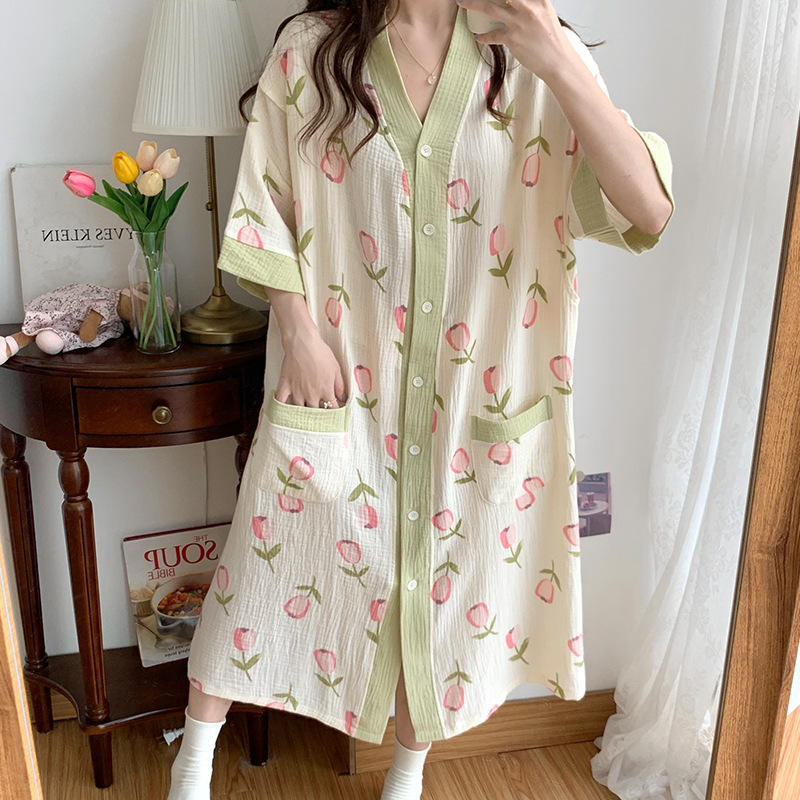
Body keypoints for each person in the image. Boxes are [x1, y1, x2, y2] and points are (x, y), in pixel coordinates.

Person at [166, 0, 674, 798]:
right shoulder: (315, 51)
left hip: (477, 410)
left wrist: (557, 58)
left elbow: (647, 210)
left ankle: (407, 775)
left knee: (437, 607)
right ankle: (193, 759)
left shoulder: (534, 57)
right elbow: (264, 205)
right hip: (342, 392)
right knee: (259, 581)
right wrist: (298, 336)